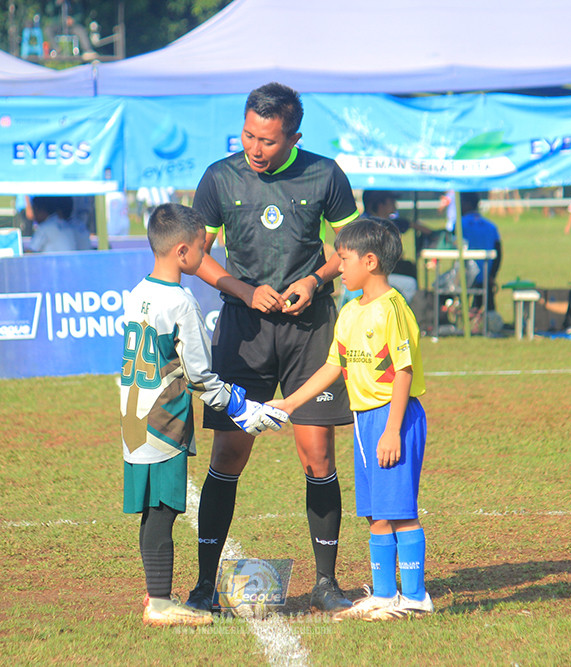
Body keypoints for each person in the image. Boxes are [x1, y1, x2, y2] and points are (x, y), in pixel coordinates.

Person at [186, 82, 360, 613]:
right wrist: (242, 289)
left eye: (267, 139)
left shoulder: (326, 174)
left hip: (311, 332)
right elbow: (196, 255)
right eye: (247, 136)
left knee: (317, 455)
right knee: (229, 454)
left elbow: (352, 246)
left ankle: (327, 584)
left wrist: (317, 280)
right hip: (244, 333)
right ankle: (203, 585)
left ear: (294, 136)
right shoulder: (219, 177)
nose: (254, 148)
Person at [121, 203, 287, 627]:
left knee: (151, 509)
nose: (204, 254)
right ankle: (159, 603)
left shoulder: (137, 293)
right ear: (181, 253)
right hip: (164, 421)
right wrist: (242, 408)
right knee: (162, 509)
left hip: (132, 417)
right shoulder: (181, 301)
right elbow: (199, 375)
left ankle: (157, 595)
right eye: (201, 247)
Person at [267, 217, 434, 621]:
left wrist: (393, 429)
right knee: (376, 511)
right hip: (365, 422)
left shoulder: (390, 310)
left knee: (400, 509)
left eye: (344, 259)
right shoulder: (349, 311)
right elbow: (331, 366)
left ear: (371, 261)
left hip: (394, 418)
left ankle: (414, 596)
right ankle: (382, 594)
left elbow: (403, 373)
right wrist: (289, 404)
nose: (338, 267)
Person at [359, 190, 433, 302]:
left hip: (381, 272)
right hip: (371, 274)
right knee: (410, 284)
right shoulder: (366, 226)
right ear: (380, 205)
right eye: (392, 201)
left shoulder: (386, 222)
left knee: (407, 266)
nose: (396, 204)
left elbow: (422, 228)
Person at [457, 192, 502, 312]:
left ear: (466, 204)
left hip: (465, 276)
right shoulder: (491, 226)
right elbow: (499, 253)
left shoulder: (460, 224)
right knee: (488, 309)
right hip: (486, 276)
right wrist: (492, 276)